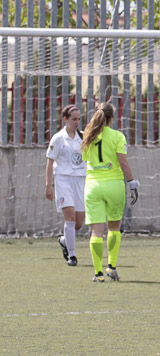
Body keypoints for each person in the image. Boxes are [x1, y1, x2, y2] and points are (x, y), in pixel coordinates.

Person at [80, 102, 139, 282]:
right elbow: (123, 162)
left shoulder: (88, 136)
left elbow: (85, 162)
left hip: (93, 187)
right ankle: (111, 267)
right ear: (112, 118)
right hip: (113, 185)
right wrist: (132, 183)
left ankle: (98, 274)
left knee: (96, 232)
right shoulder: (117, 136)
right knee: (114, 228)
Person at [45, 104, 85, 267]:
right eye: (74, 119)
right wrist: (48, 185)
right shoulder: (58, 138)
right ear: (65, 119)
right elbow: (50, 162)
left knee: (80, 221)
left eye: (79, 119)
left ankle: (64, 240)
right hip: (63, 180)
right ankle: (72, 255)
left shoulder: (83, 137)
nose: (77, 122)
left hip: (80, 180)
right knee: (70, 216)